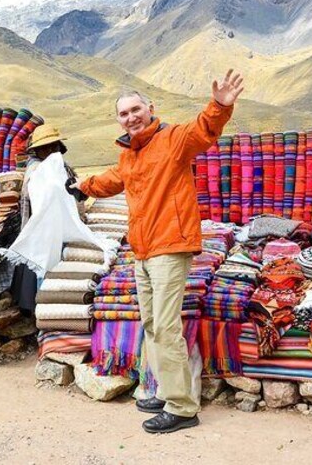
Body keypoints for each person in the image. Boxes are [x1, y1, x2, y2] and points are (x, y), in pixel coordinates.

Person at [76, 70, 244, 434]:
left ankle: (182, 407)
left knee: (166, 327)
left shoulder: (173, 139)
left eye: (136, 109)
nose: (131, 117)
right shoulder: (129, 155)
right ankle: (168, 390)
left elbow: (203, 129)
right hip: (143, 249)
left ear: (150, 108)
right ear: (118, 119)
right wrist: (82, 186)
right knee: (152, 324)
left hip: (170, 244)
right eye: (124, 113)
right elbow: (111, 181)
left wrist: (220, 106)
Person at [11, 124, 83, 313]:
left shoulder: (61, 166)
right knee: (42, 266)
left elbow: (73, 190)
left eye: (53, 146)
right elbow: (36, 196)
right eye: (45, 147)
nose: (50, 150)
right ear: (37, 150)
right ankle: (40, 310)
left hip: (58, 225)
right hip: (43, 226)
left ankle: (53, 306)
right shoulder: (36, 170)